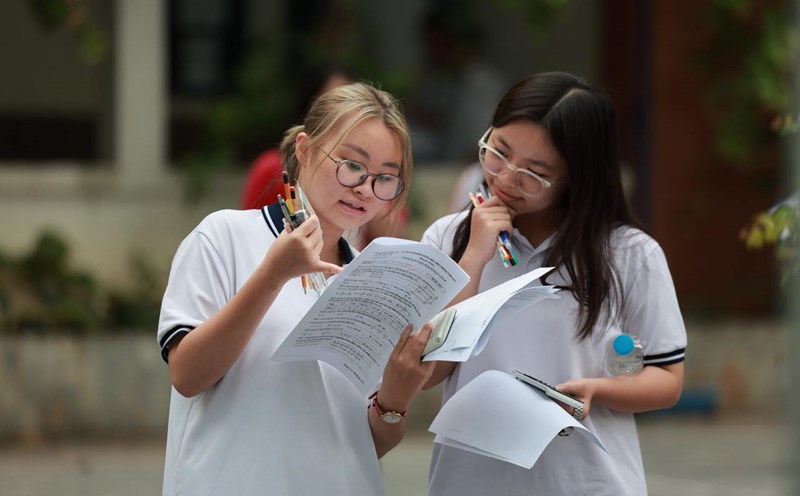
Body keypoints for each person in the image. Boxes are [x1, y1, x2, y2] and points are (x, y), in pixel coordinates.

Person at [157, 82, 434, 495]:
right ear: (304, 149)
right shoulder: (224, 236)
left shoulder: (374, 281)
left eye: (385, 178)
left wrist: (395, 398)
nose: (364, 188)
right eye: (352, 165)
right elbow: (187, 374)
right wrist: (271, 277)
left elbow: (365, 443)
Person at [420, 71, 687, 495]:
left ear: (575, 178)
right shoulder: (447, 237)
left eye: (534, 173)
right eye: (498, 152)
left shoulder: (630, 255)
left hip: (585, 483)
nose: (505, 178)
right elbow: (427, 370)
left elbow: (667, 378)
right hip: (471, 481)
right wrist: (473, 256)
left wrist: (598, 391)